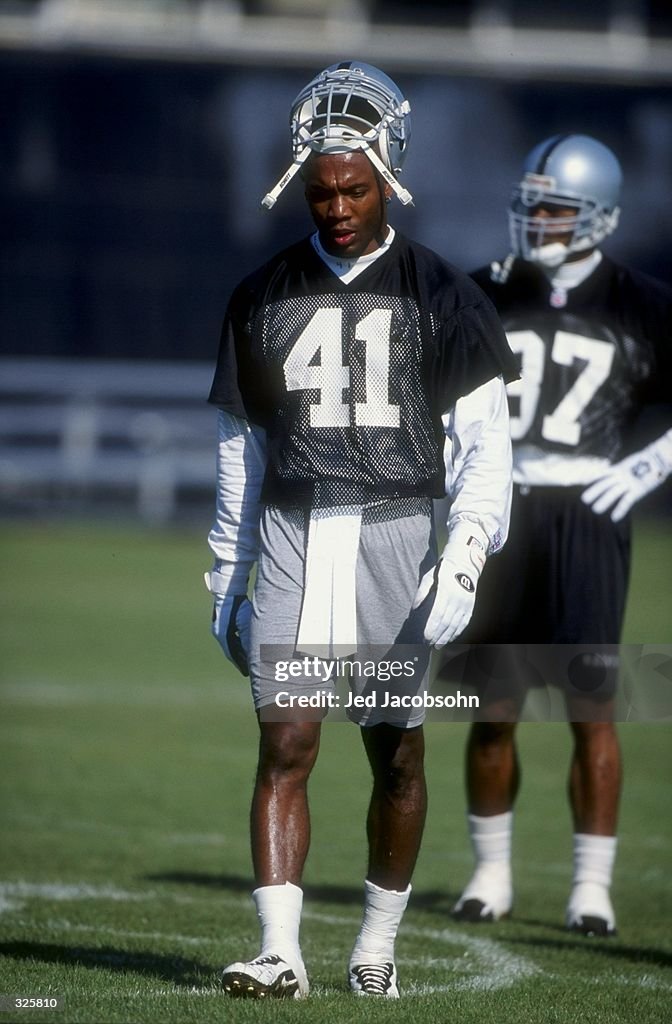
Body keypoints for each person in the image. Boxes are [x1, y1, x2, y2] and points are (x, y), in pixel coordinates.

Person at [203, 61, 517, 999]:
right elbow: (239, 451)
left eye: (354, 189)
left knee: (399, 754)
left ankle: (375, 945)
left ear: (389, 177)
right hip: (298, 532)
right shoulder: (261, 292)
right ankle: (280, 953)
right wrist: (227, 569)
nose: (336, 208)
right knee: (287, 741)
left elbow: (486, 454)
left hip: (398, 534)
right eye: (321, 191)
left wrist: (463, 560)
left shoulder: (446, 294)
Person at [448, 133, 672, 937]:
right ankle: (491, 874)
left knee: (592, 707)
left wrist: (647, 468)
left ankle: (591, 889)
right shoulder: (484, 292)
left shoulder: (644, 301)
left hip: (588, 511)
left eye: (555, 207)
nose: (534, 219)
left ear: (599, 218)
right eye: (531, 202)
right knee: (494, 704)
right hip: (502, 508)